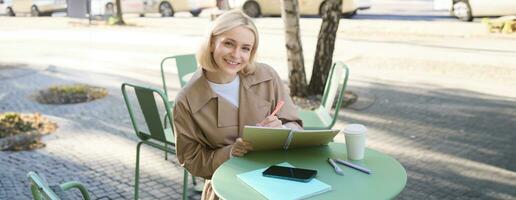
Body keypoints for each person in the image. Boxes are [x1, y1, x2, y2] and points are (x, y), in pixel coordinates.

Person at [173, 9, 303, 200]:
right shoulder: (186, 100)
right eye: (228, 43)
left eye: (245, 48)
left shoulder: (267, 77)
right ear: (211, 43)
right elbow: (190, 159)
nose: (236, 55)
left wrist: (283, 128)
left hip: (276, 181)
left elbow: (295, 124)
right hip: (226, 190)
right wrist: (229, 153)